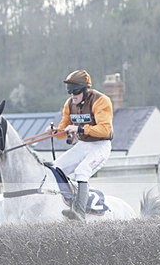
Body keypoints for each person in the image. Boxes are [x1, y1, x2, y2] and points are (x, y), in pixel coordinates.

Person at [49, 69, 114, 221]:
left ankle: (79, 214)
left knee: (81, 171)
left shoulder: (101, 101)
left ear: (86, 90)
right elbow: (64, 130)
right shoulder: (69, 104)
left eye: (76, 92)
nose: (73, 96)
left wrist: (79, 128)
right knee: (55, 168)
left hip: (100, 145)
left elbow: (105, 130)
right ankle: (68, 203)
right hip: (82, 145)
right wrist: (55, 132)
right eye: (70, 92)